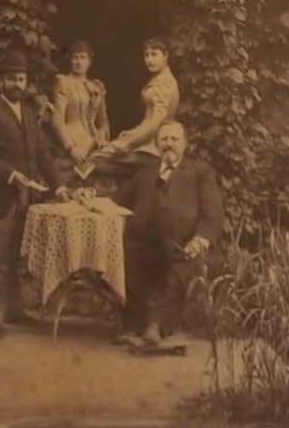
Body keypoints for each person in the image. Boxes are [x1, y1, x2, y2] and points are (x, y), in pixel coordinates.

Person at [0, 49, 71, 340]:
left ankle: (14, 310)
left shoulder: (28, 114)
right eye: (11, 78)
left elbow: (42, 155)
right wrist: (10, 175)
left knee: (16, 255)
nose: (16, 84)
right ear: (1, 81)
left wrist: (59, 186)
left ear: (27, 83)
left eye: (21, 79)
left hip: (27, 198)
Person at [113, 121, 224, 346]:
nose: (169, 144)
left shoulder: (199, 173)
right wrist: (89, 196)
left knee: (184, 267)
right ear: (156, 144)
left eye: (174, 139)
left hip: (183, 243)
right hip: (144, 244)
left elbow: (213, 214)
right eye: (164, 139)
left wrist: (199, 240)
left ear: (184, 144)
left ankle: (156, 325)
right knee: (127, 258)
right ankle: (133, 325)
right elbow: (118, 199)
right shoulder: (145, 173)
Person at [92, 37, 179, 176]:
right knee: (99, 157)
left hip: (152, 145)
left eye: (154, 54)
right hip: (145, 139)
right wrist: (132, 133)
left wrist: (130, 143)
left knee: (95, 160)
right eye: (146, 55)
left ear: (166, 55)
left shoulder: (164, 83)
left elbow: (156, 122)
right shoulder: (158, 79)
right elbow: (148, 119)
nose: (149, 60)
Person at [50, 40, 110, 180]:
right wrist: (70, 148)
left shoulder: (97, 86)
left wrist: (102, 137)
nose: (78, 62)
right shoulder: (63, 82)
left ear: (89, 62)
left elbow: (103, 121)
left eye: (83, 57)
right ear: (70, 60)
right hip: (73, 142)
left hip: (94, 145)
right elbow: (57, 120)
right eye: (75, 57)